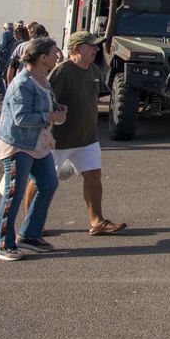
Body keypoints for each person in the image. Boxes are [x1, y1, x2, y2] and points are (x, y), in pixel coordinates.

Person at [0, 36, 66, 261]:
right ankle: (0, 245)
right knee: (14, 194)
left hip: (38, 144)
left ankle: (30, 235)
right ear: (43, 57)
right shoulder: (22, 83)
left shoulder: (43, 79)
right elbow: (21, 118)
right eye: (54, 52)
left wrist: (57, 109)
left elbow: (44, 105)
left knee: (49, 183)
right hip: (19, 146)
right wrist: (50, 116)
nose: (57, 56)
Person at [46, 31, 126, 236]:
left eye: (96, 45)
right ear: (77, 49)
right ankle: (34, 224)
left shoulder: (94, 70)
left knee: (93, 176)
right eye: (92, 46)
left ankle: (97, 222)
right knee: (44, 181)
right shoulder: (61, 72)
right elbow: (45, 101)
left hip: (87, 138)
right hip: (59, 140)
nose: (96, 49)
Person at [0, 21, 17, 102]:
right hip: (12, 57)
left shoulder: (5, 34)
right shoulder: (16, 34)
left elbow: (2, 45)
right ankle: (10, 94)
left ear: (5, 28)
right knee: (8, 76)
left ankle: (2, 94)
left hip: (3, 57)